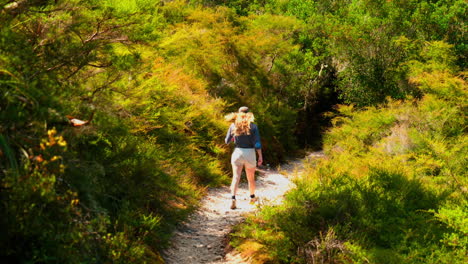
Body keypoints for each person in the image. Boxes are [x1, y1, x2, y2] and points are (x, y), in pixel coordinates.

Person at [225, 106, 263, 209]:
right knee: (250, 178)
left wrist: (234, 138)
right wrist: (260, 156)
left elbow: (227, 141)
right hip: (250, 153)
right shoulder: (254, 127)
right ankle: (252, 198)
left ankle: (233, 199)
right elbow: (257, 144)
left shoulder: (233, 126)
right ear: (249, 113)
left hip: (237, 152)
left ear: (238, 113)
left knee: (236, 177)